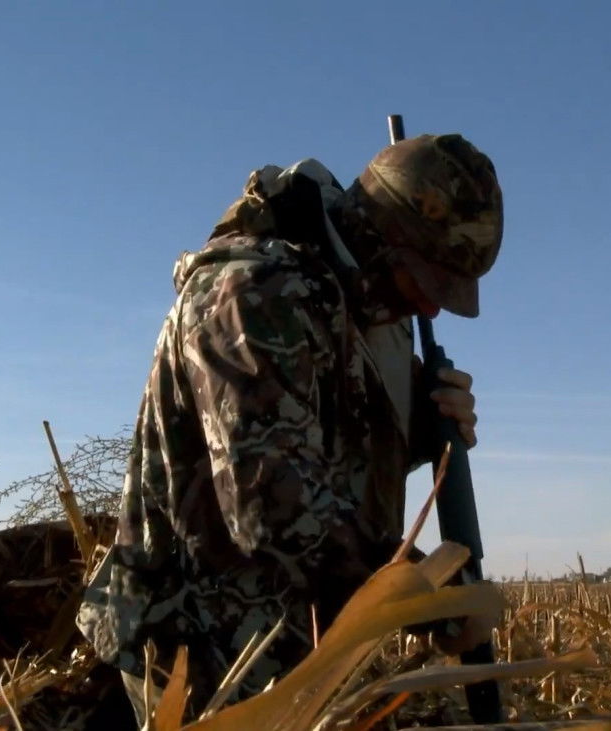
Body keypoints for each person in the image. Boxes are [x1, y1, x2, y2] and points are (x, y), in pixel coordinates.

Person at [77, 134, 504, 722]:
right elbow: (275, 510)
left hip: (285, 640)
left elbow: (333, 464)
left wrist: (425, 433)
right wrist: (431, 600)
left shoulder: (348, 305)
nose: (431, 309)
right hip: (198, 655)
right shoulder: (256, 293)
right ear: (377, 237)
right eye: (424, 281)